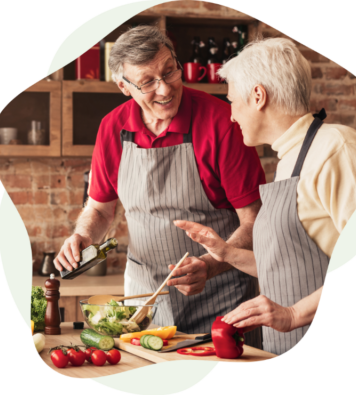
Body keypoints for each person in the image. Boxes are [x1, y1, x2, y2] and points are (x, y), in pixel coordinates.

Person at [53, 25, 266, 347]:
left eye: (169, 72)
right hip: (144, 302)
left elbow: (254, 219)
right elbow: (99, 208)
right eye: (147, 82)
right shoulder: (113, 128)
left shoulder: (222, 122)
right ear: (124, 87)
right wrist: (83, 236)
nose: (165, 89)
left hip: (222, 298)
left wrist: (209, 266)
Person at [174, 36, 356, 356]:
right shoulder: (290, 158)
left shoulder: (337, 150)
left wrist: (293, 314)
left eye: (233, 101)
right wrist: (226, 252)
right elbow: (290, 269)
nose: (231, 115)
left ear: (258, 96)